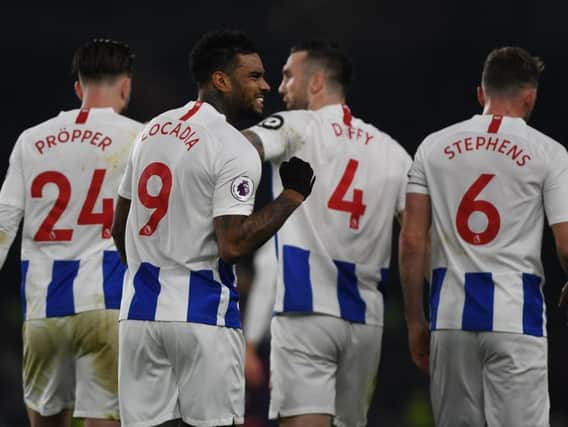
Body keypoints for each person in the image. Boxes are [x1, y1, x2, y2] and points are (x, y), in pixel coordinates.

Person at [111, 29, 315, 427]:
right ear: (221, 80)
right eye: (254, 76)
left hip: (139, 316)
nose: (266, 85)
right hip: (202, 317)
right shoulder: (232, 145)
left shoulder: (150, 131)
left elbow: (120, 224)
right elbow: (233, 244)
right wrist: (292, 196)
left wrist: (142, 273)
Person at [242, 40, 411, 427]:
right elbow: (419, 234)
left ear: (316, 82)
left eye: (287, 76)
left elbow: (241, 148)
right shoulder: (392, 151)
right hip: (365, 318)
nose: (279, 87)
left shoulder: (295, 125)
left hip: (305, 311)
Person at [399, 46, 568, 427]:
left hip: (450, 317)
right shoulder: (549, 153)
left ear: (481, 94)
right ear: (531, 97)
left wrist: (415, 321)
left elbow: (411, 240)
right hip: (515, 316)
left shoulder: (433, 146)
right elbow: (565, 244)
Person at [0, 39, 142, 426]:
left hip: (44, 307)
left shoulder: (31, 140)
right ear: (126, 85)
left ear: (78, 87)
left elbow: (4, 221)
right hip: (106, 303)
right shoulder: (140, 139)